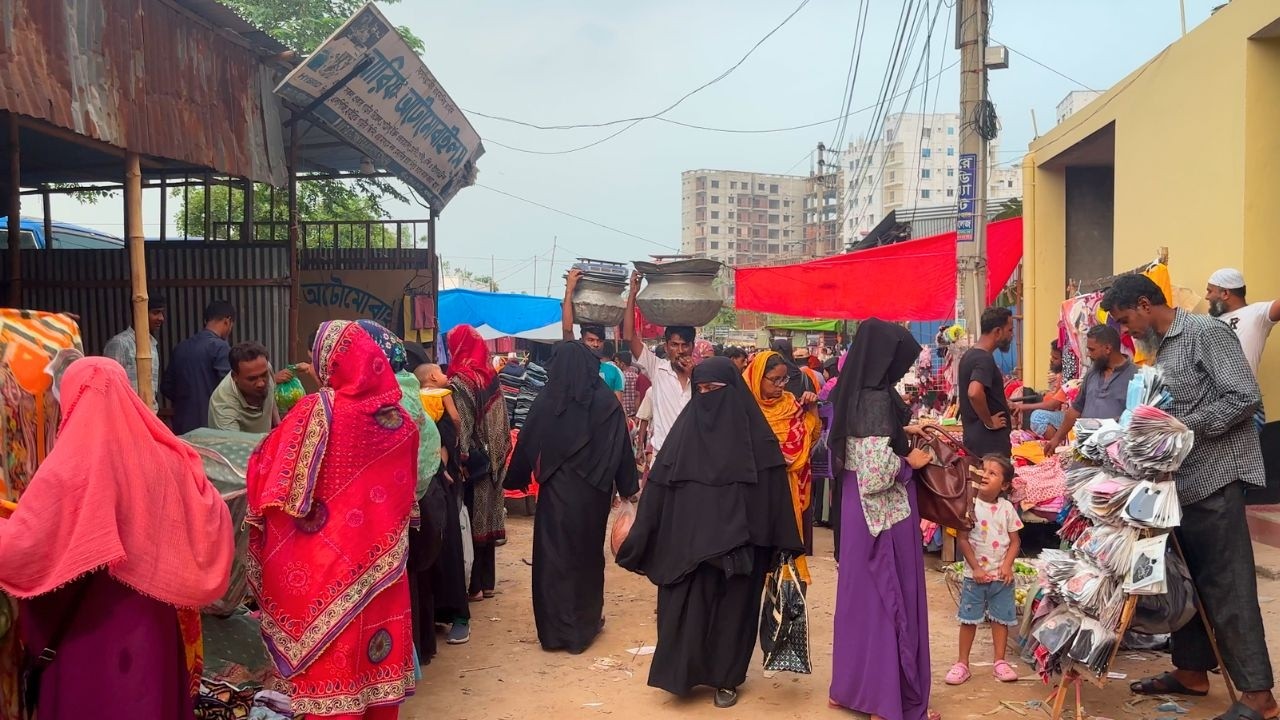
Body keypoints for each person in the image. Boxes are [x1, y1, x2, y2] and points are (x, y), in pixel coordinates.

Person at [0, 358, 233, 720]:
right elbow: (212, 516)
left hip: (84, 634)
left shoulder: (67, 470)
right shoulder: (168, 460)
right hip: (149, 626)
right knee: (148, 699)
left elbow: (21, 549)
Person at [1102, 274, 1277, 720]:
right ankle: (1191, 671)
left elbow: (1244, 397)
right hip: (1180, 483)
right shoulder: (1161, 346)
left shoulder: (1206, 332)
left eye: (1126, 321)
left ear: (1145, 304)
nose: (1127, 332)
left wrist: (1179, 430)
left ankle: (1259, 695)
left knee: (1227, 586)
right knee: (1188, 582)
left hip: (1215, 478)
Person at [246, 320, 418, 719]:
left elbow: (271, 477)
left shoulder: (315, 411)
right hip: (381, 573)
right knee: (374, 678)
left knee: (330, 681)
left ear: (332, 362)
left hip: (324, 571)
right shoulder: (401, 424)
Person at [617, 357, 803, 709]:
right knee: (687, 610)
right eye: (700, 390)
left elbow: (773, 499)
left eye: (715, 390)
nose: (707, 397)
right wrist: (641, 536)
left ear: (734, 391)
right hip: (689, 549)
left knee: (734, 613)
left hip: (740, 550)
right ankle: (683, 674)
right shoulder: (681, 440)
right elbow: (658, 491)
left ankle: (727, 678)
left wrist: (777, 545)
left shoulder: (759, 443)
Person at [828, 319, 937, 720]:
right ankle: (884, 700)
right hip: (885, 515)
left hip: (858, 514)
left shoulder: (851, 391)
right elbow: (877, 471)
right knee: (887, 599)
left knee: (859, 599)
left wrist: (904, 429)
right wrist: (912, 459)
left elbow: (860, 442)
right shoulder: (876, 398)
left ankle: (853, 689)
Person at [506, 342, 639, 654]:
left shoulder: (548, 399)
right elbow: (621, 449)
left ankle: (553, 633)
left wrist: (515, 479)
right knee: (586, 559)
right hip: (593, 495)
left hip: (555, 494)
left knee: (552, 561)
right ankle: (582, 628)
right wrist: (628, 487)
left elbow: (526, 443)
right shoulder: (606, 402)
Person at [356, 321, 443, 667]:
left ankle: (405, 658)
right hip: (423, 494)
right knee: (413, 581)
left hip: (401, 505)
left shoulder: (388, 398)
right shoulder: (406, 387)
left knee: (402, 583)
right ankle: (417, 652)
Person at [447, 324, 511, 604]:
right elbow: (503, 421)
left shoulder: (461, 383)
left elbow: (462, 424)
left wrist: (461, 459)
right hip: (495, 460)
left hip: (475, 464)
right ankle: (487, 583)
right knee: (487, 518)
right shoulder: (491, 378)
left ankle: (473, 587)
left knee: (471, 520)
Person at [744, 350, 820, 583]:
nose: (780, 386)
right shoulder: (744, 408)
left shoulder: (790, 404)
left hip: (788, 488)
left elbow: (811, 436)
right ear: (758, 377)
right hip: (755, 488)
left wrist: (812, 408)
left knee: (785, 544)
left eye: (784, 380)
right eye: (774, 380)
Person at [948, 455, 1023, 685]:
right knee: (969, 620)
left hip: (1001, 577)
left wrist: (1007, 565)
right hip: (975, 577)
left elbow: (1015, 541)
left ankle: (999, 662)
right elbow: (962, 540)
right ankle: (962, 663)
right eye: (983, 470)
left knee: (1000, 620)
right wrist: (976, 568)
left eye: (993, 473)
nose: (985, 475)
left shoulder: (1007, 508)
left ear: (1004, 485)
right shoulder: (968, 504)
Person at [624, 271, 694, 455]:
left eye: (684, 345)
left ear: (692, 347)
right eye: (675, 345)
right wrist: (633, 294)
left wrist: (692, 377)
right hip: (662, 454)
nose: (680, 351)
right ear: (666, 346)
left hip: (692, 455)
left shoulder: (701, 376)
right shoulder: (657, 368)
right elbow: (629, 336)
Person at [1041, 325, 1139, 451]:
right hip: (1086, 449)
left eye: (1091, 350)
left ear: (1108, 348)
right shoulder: (1093, 372)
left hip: (1114, 454)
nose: (1088, 354)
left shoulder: (1136, 376)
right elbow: (1076, 408)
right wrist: (1057, 438)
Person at [164, 300, 234, 435]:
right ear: (227, 321)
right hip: (212, 428)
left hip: (182, 427)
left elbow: (166, 386)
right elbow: (229, 388)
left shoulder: (181, 347)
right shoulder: (221, 348)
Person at [562, 269, 627, 402]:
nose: (595, 344)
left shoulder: (613, 371)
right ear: (581, 340)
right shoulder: (576, 361)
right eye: (590, 340)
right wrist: (569, 291)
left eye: (599, 340)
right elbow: (567, 329)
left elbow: (617, 406)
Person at [958, 306, 1015, 457]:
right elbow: (974, 392)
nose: (1012, 335)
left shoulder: (969, 355)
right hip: (990, 444)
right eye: (1009, 330)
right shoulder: (984, 359)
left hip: (977, 440)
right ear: (997, 331)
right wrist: (989, 422)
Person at [1206, 267, 1279, 375]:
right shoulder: (1210, 318)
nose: (1207, 297)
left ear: (1225, 293)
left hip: (1240, 391)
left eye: (1210, 291)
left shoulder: (1258, 313)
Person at [103, 293, 166, 410]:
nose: (161, 318)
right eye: (155, 313)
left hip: (149, 414)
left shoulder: (152, 345)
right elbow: (108, 387)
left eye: (162, 313)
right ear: (140, 313)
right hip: (126, 416)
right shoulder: (119, 344)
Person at [208, 341, 279, 434]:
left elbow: (270, 397)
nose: (261, 383)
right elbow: (233, 446)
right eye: (252, 379)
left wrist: (279, 425)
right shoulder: (223, 405)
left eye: (264, 375)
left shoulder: (265, 368)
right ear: (235, 377)